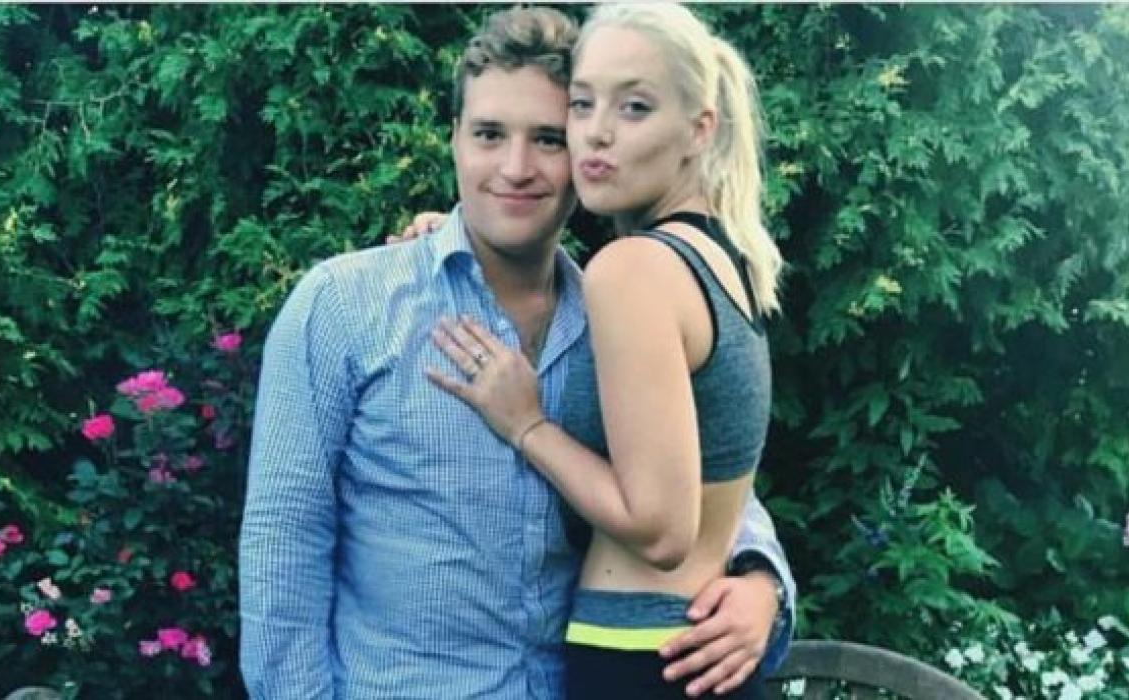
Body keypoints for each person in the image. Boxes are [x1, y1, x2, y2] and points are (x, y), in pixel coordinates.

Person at [238, 7, 793, 699]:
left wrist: (762, 581)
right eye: (489, 134)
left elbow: (700, 471)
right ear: (454, 139)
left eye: (548, 139)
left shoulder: (614, 311)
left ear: (583, 150)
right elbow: (282, 546)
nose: (516, 168)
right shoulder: (346, 307)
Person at [423, 4, 784, 699]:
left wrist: (528, 425)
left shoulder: (633, 270)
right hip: (691, 657)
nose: (598, 132)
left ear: (699, 128)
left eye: (635, 107)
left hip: (643, 661)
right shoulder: (719, 262)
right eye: (583, 105)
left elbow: (662, 530)